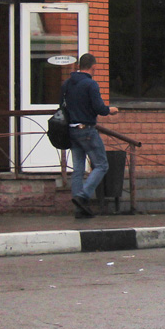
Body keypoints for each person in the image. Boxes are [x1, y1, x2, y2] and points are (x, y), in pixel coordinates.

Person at [63, 53, 120, 219]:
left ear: (79, 65)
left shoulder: (67, 84)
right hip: (86, 130)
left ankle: (79, 208)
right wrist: (111, 110)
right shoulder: (91, 84)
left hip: (71, 130)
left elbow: (62, 106)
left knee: (78, 169)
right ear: (93, 66)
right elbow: (99, 108)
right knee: (102, 165)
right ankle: (83, 196)